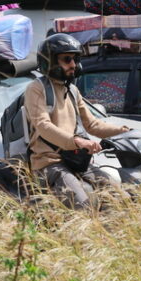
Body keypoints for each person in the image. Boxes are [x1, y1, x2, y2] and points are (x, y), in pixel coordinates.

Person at [25, 33, 132, 210]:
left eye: (75, 59)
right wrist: (77, 141)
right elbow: (43, 126)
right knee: (83, 205)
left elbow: (92, 124)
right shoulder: (36, 88)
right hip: (50, 162)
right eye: (67, 59)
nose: (73, 65)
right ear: (50, 61)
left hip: (76, 159)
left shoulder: (73, 90)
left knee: (121, 197)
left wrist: (125, 132)